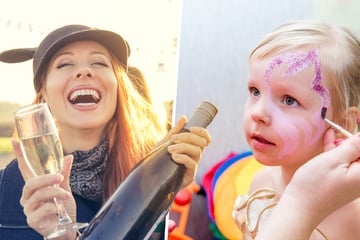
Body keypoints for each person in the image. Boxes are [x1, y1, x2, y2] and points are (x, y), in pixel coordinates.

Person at [0, 24, 211, 240]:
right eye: (64, 64)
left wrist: (165, 196)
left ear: (118, 87)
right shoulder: (5, 192)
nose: (84, 71)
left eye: (99, 62)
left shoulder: (147, 177)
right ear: (42, 93)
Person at [232, 20, 360, 239]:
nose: (258, 113)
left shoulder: (355, 218)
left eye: (289, 100)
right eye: (255, 91)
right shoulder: (261, 183)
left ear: (344, 124)